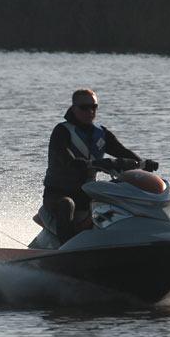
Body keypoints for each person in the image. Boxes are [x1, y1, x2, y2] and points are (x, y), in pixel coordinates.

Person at [41, 88, 158, 243]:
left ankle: (141, 237)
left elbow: (121, 151)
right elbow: (65, 158)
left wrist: (143, 164)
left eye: (94, 107)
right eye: (84, 107)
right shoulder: (62, 131)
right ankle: (66, 247)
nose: (90, 111)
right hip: (58, 194)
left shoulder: (101, 133)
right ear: (74, 108)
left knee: (122, 197)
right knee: (66, 204)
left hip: (87, 193)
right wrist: (89, 164)